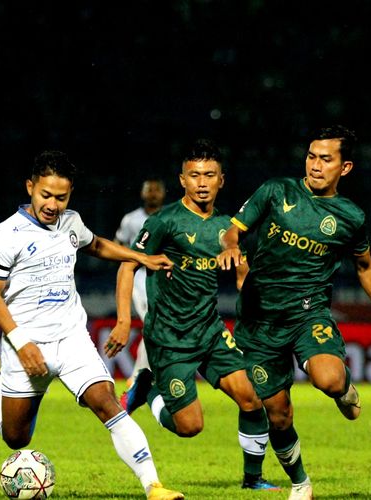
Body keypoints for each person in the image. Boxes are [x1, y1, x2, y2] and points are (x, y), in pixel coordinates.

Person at [0, 150, 184, 500]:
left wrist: (140, 257)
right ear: (30, 187)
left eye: (61, 197)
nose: (53, 204)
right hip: (25, 346)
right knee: (16, 438)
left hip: (71, 339)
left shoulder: (71, 222)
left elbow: (96, 245)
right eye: (45, 195)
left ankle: (153, 486)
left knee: (106, 401)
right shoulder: (6, 234)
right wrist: (21, 343)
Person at [217, 125, 371, 500]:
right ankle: (301, 483)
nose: (315, 165)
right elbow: (232, 231)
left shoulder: (349, 217)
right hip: (259, 320)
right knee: (278, 415)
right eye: (311, 156)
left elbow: (365, 266)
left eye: (325, 159)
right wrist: (231, 246)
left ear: (344, 168)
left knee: (328, 379)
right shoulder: (277, 190)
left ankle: (344, 388)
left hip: (308, 314)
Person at [105, 139, 279, 491]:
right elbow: (127, 265)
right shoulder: (165, 221)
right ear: (182, 180)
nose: (202, 182)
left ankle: (253, 479)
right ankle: (150, 390)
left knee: (251, 398)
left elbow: (242, 269)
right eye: (194, 175)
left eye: (209, 175)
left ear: (221, 180)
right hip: (170, 338)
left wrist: (254, 302)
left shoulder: (226, 228)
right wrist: (124, 321)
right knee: (190, 426)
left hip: (210, 331)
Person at [114, 178, 167, 386]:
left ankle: (147, 374)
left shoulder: (170, 216)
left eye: (157, 190)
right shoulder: (131, 219)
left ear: (163, 193)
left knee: (157, 325)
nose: (153, 193)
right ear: (143, 193)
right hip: (139, 277)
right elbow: (118, 243)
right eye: (149, 190)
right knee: (152, 323)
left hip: (164, 277)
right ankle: (138, 375)